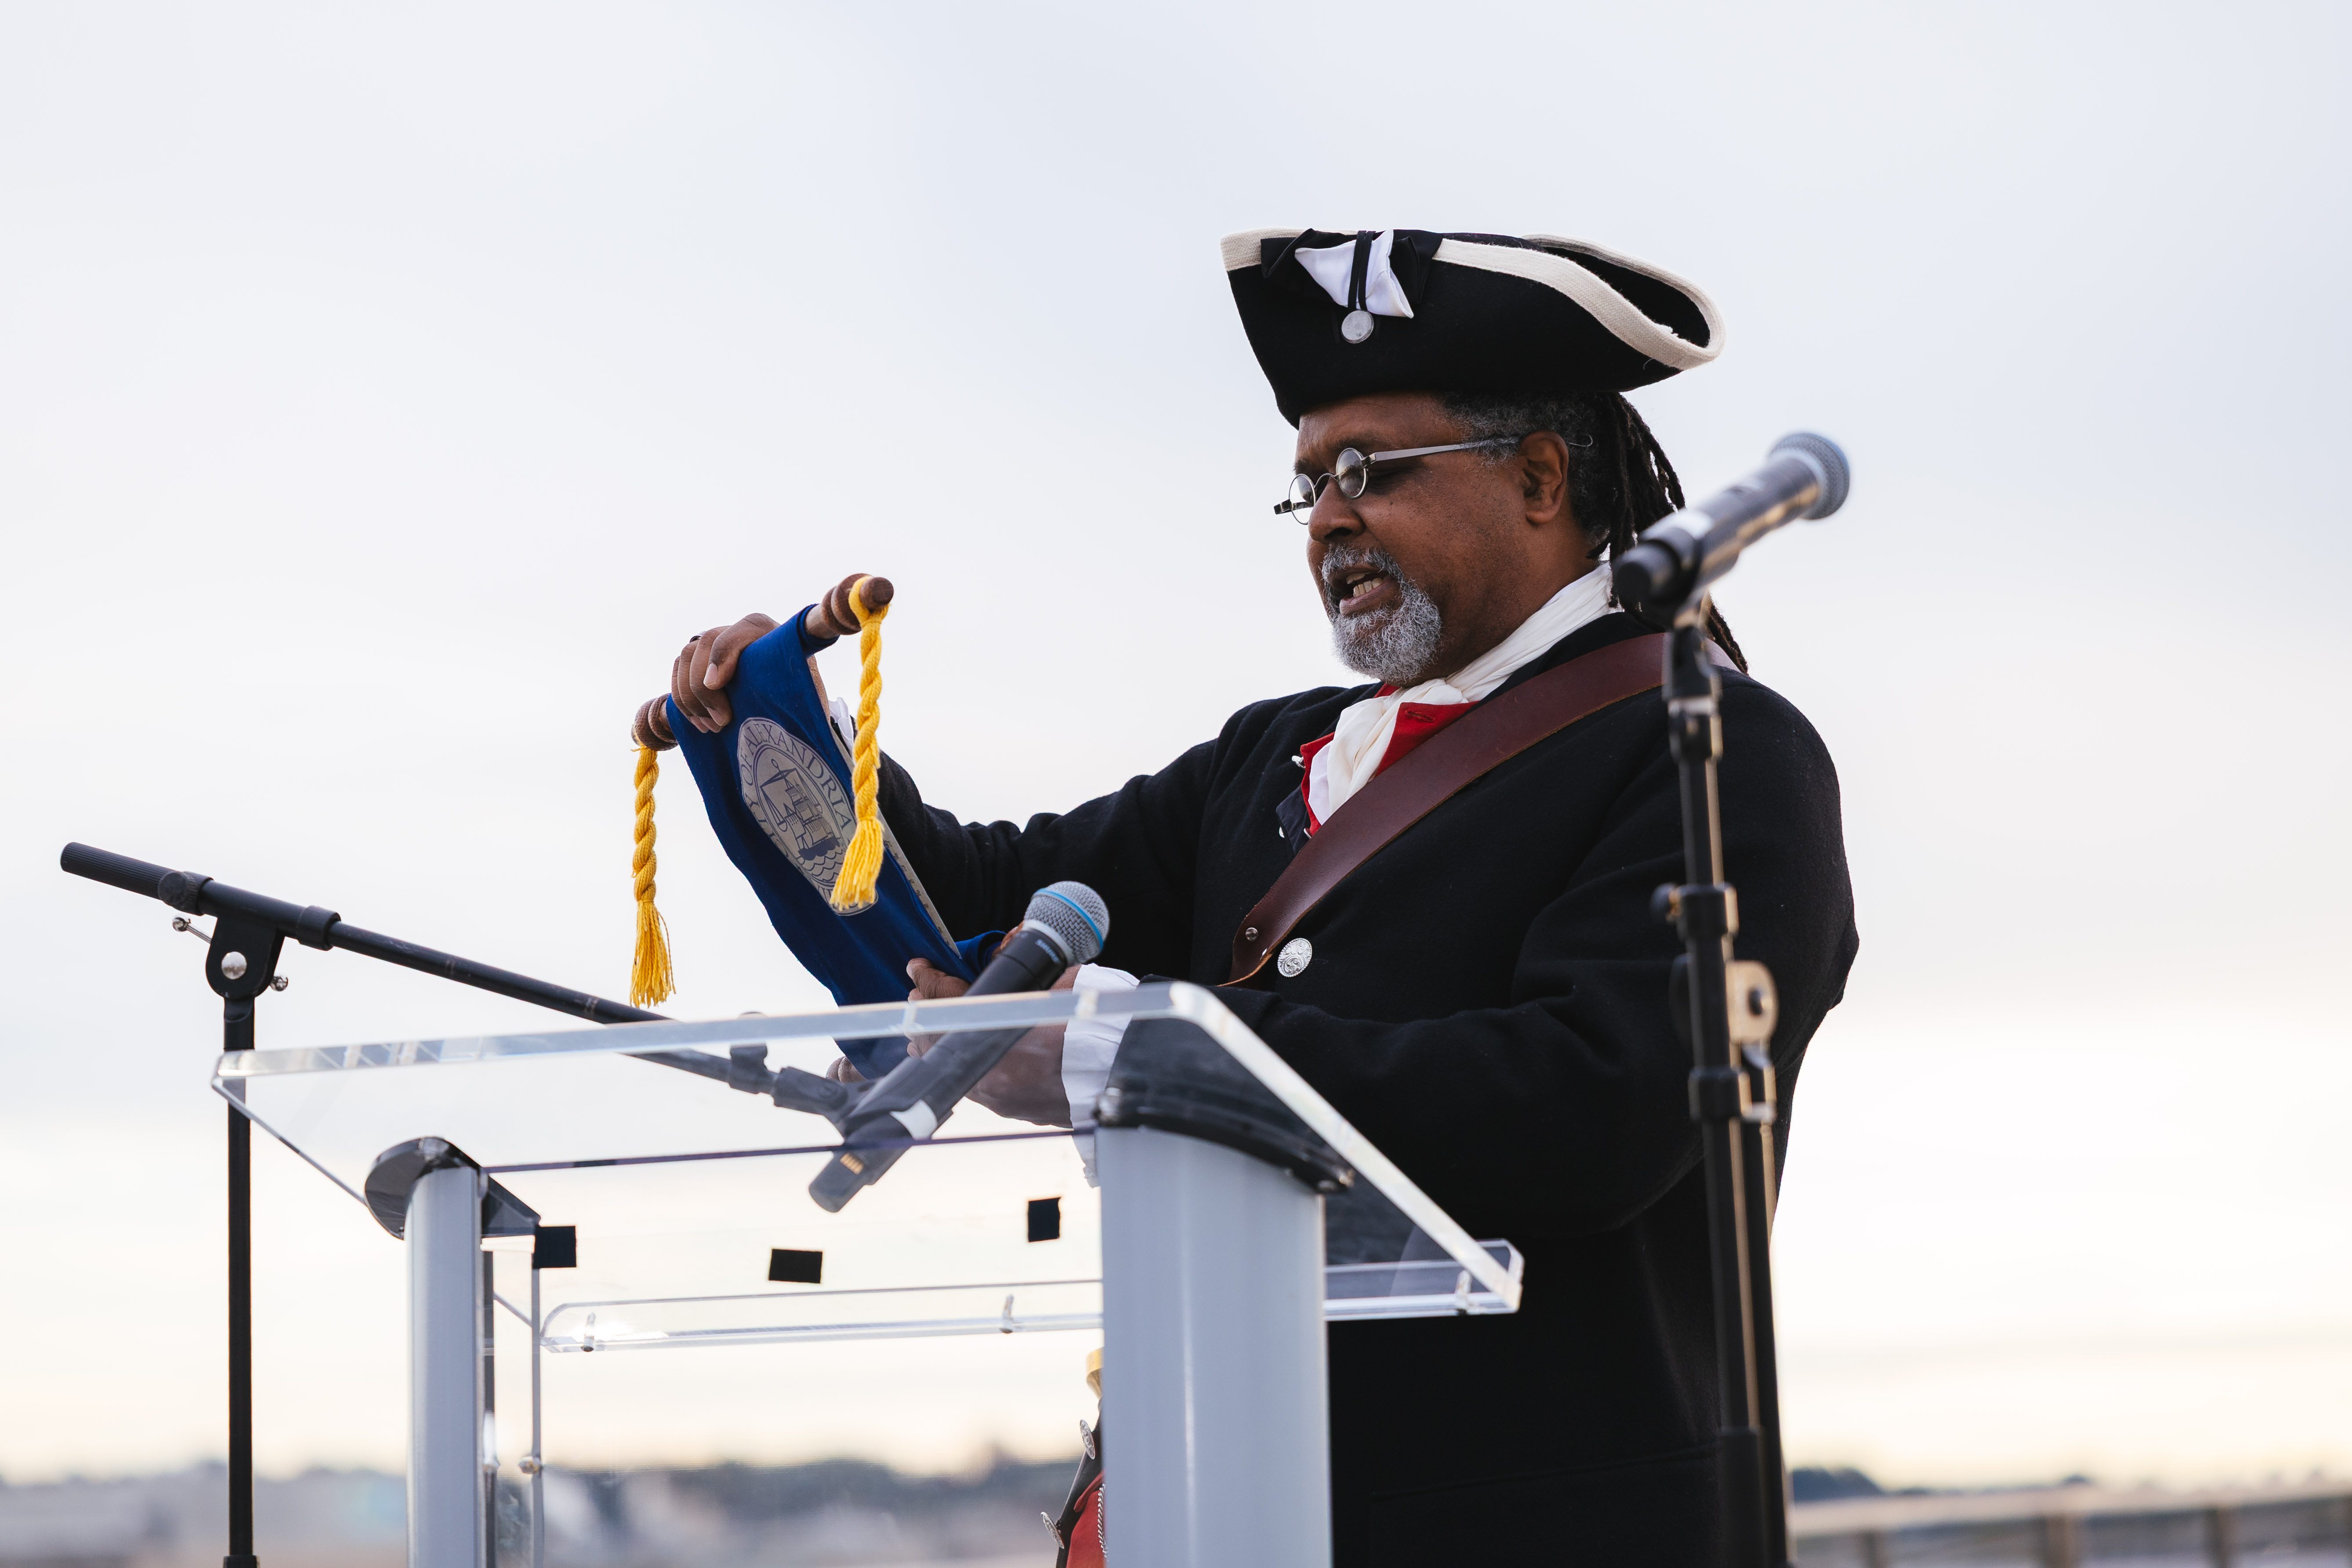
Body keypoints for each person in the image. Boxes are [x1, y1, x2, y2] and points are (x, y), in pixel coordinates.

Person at [659, 228, 1859, 1564]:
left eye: (1370, 471)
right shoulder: (1270, 758)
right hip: (1224, 1515)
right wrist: (781, 741)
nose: (1332, 518)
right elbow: (973, 910)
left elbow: (1590, 1107)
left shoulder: (1711, 752)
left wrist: (1133, 1050)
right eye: (1309, 487)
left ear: (1538, 476)